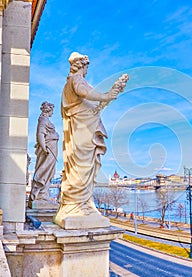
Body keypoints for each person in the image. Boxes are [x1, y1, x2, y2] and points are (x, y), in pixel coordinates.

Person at [54, 52, 129, 229]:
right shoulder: (75, 80)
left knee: (83, 167)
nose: (87, 70)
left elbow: (89, 104)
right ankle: (77, 205)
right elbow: (84, 92)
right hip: (82, 131)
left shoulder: (71, 82)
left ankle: (82, 203)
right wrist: (105, 96)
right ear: (82, 66)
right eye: (87, 66)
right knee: (82, 166)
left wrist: (105, 99)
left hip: (82, 128)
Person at [28, 102, 59, 208]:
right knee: (44, 170)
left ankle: (44, 194)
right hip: (48, 150)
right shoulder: (43, 120)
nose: (53, 113)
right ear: (48, 110)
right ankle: (39, 194)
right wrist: (44, 148)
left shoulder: (45, 120)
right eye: (52, 110)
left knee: (50, 172)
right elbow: (40, 134)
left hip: (51, 149)